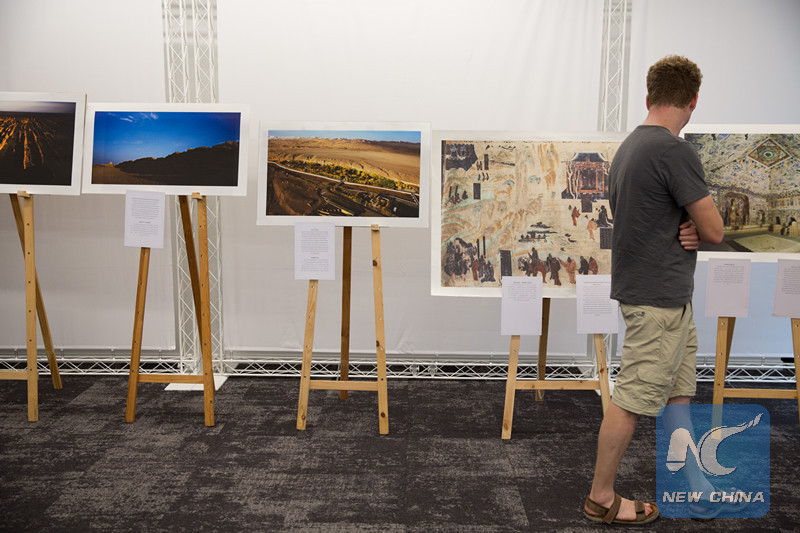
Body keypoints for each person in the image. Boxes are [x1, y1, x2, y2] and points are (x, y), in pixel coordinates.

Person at [583, 55, 723, 526]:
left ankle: (698, 488)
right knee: (631, 399)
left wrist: (688, 226)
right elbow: (715, 229)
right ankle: (600, 498)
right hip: (658, 301)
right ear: (693, 100)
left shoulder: (630, 147)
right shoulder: (673, 151)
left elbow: (656, 218)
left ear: (648, 96)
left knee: (678, 395)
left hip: (663, 298)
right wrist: (698, 227)